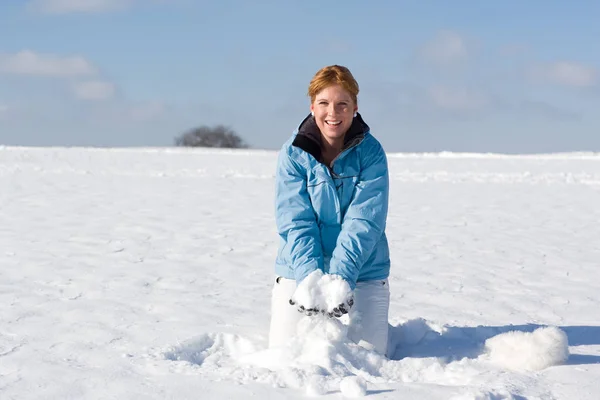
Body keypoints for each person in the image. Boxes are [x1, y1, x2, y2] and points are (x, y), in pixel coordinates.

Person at [269, 65, 391, 356]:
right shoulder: (293, 153)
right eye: (324, 103)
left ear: (355, 107)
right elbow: (295, 221)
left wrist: (340, 280)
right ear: (312, 107)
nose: (332, 113)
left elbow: (365, 221)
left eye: (342, 104)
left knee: (370, 359)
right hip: (298, 271)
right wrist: (310, 278)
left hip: (364, 271)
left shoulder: (372, 153)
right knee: (285, 356)